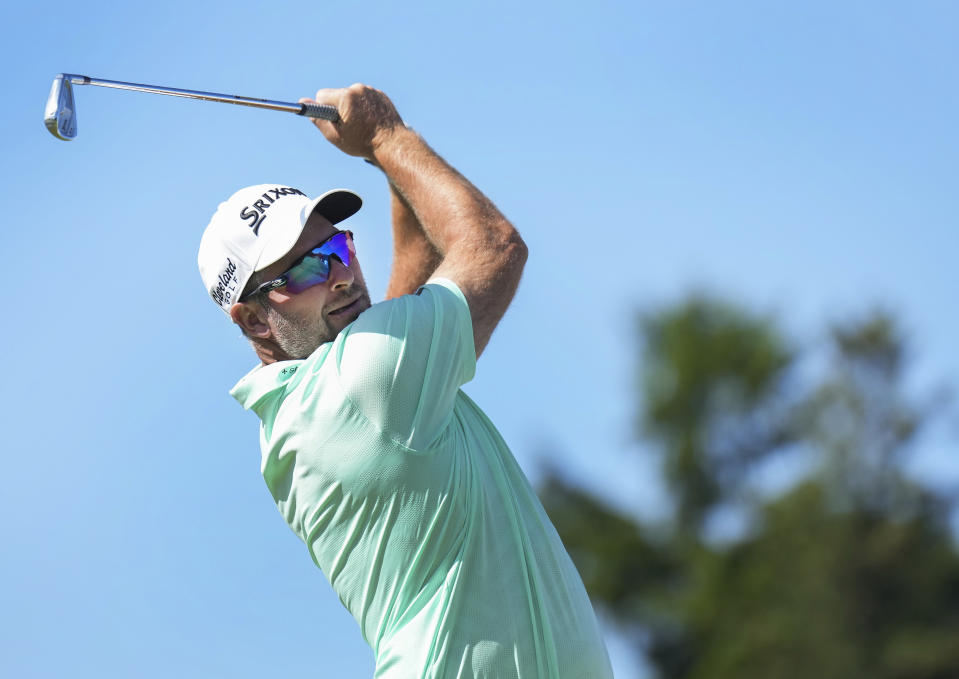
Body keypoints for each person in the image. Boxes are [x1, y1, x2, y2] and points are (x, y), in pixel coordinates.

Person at [197, 84, 613, 678]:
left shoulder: (335, 395)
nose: (340, 274)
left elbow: (405, 298)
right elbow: (494, 247)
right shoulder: (360, 381)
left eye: (338, 246)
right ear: (255, 318)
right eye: (308, 267)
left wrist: (382, 160)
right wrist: (389, 137)